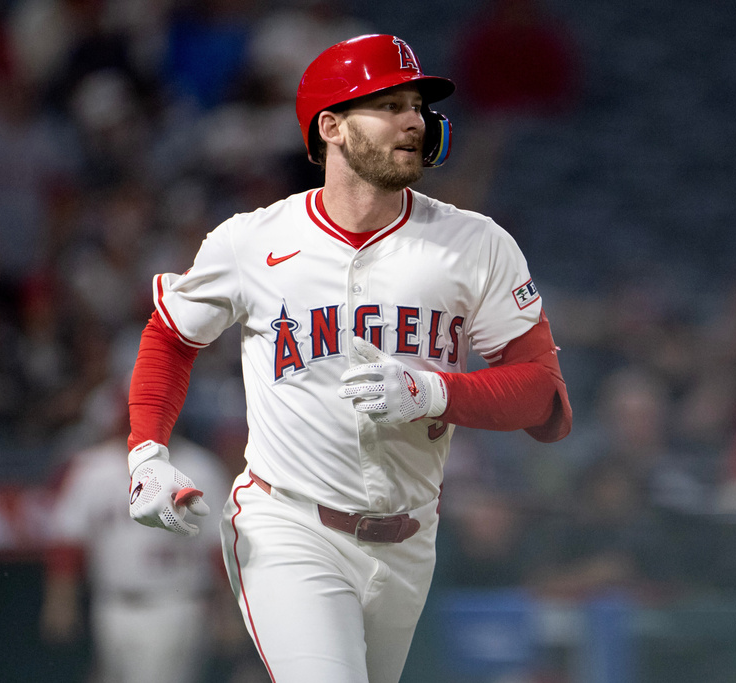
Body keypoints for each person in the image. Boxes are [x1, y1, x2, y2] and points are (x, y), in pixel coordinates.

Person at [124, 34, 573, 683]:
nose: (413, 121)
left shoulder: (475, 243)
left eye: (416, 105)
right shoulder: (253, 240)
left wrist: (436, 393)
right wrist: (146, 453)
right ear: (329, 126)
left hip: (410, 541)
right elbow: (170, 334)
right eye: (388, 105)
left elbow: (546, 402)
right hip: (289, 526)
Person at [41, 430, 232, 683]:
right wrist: (61, 599)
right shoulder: (94, 468)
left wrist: (228, 610)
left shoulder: (199, 467)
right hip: (109, 604)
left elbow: (220, 546)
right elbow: (67, 540)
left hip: (174, 604)